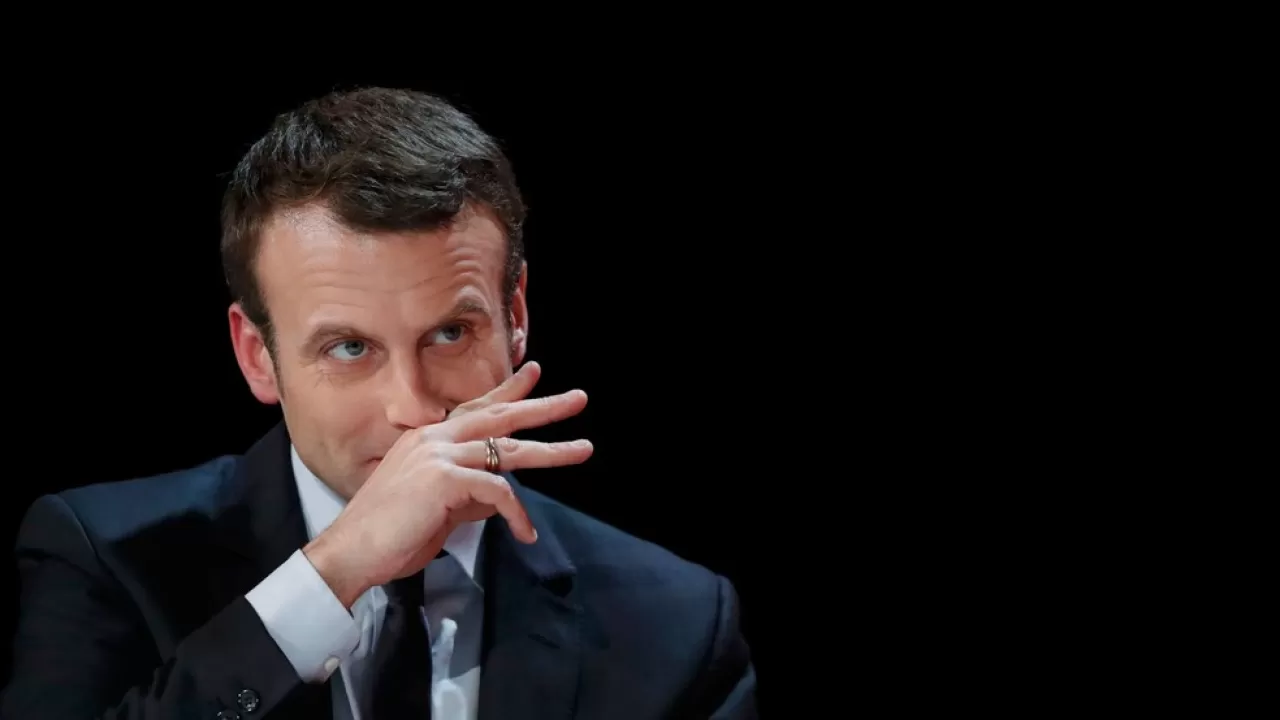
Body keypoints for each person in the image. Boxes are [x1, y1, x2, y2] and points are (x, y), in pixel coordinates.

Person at [0, 87, 755, 719]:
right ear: (257, 355)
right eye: (349, 348)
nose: (414, 409)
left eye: (451, 333)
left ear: (516, 316)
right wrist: (334, 572)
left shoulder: (678, 622)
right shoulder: (106, 557)